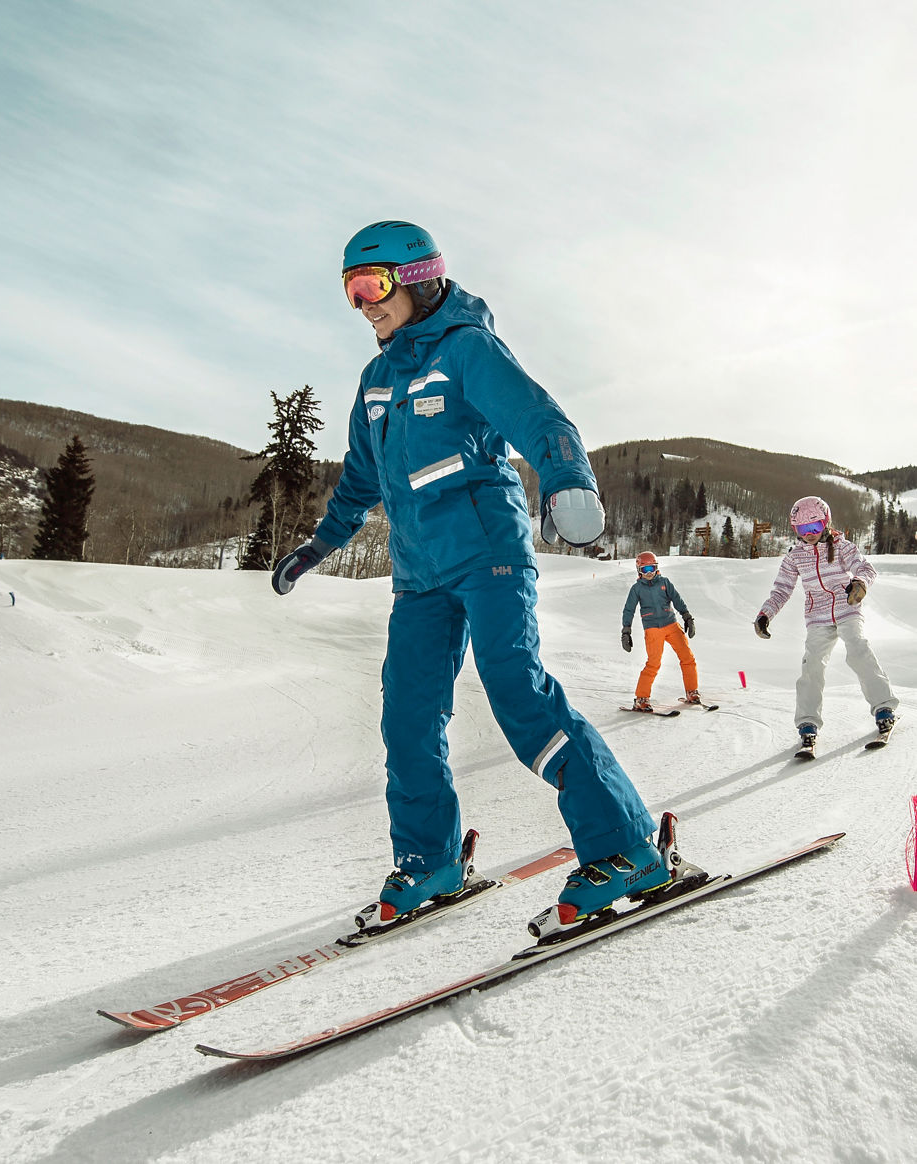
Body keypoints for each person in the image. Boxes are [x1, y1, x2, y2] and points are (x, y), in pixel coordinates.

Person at [271, 219, 670, 934]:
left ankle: (626, 847)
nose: (363, 304)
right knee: (407, 719)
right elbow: (358, 482)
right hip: (419, 576)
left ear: (419, 279)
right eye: (350, 291)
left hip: (487, 551)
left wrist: (567, 479)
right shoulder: (375, 382)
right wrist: (316, 546)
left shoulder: (466, 349)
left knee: (518, 692)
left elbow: (537, 417)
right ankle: (431, 859)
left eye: (374, 285)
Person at [754, 495, 897, 748]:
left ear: (826, 523)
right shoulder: (795, 557)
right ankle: (808, 723)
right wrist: (766, 614)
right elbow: (782, 590)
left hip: (847, 607)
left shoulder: (842, 547)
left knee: (858, 649)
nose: (809, 534)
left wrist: (860, 584)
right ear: (795, 529)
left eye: (815, 527)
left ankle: (884, 708)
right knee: (812, 666)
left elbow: (866, 568)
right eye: (802, 529)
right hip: (817, 616)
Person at [620, 551, 701, 711]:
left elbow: (677, 599)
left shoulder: (664, 582)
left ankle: (692, 691)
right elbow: (628, 610)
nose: (649, 573)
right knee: (654, 663)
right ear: (639, 570)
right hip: (653, 629)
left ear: (657, 568)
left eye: (652, 568)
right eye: (645, 569)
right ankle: (641, 698)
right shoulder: (636, 589)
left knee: (687, 657)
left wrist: (687, 616)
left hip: (671, 625)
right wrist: (626, 631)